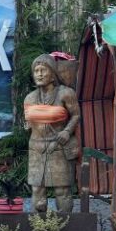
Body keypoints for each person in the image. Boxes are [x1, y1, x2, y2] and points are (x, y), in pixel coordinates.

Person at [24, 54, 81, 214]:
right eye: (36, 71)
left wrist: (67, 131)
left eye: (43, 70)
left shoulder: (65, 93)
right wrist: (28, 124)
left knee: (62, 190)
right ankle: (38, 225)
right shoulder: (29, 98)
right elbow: (29, 120)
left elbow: (76, 115)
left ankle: (66, 224)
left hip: (58, 147)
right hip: (36, 148)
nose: (39, 74)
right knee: (37, 189)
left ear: (53, 73)